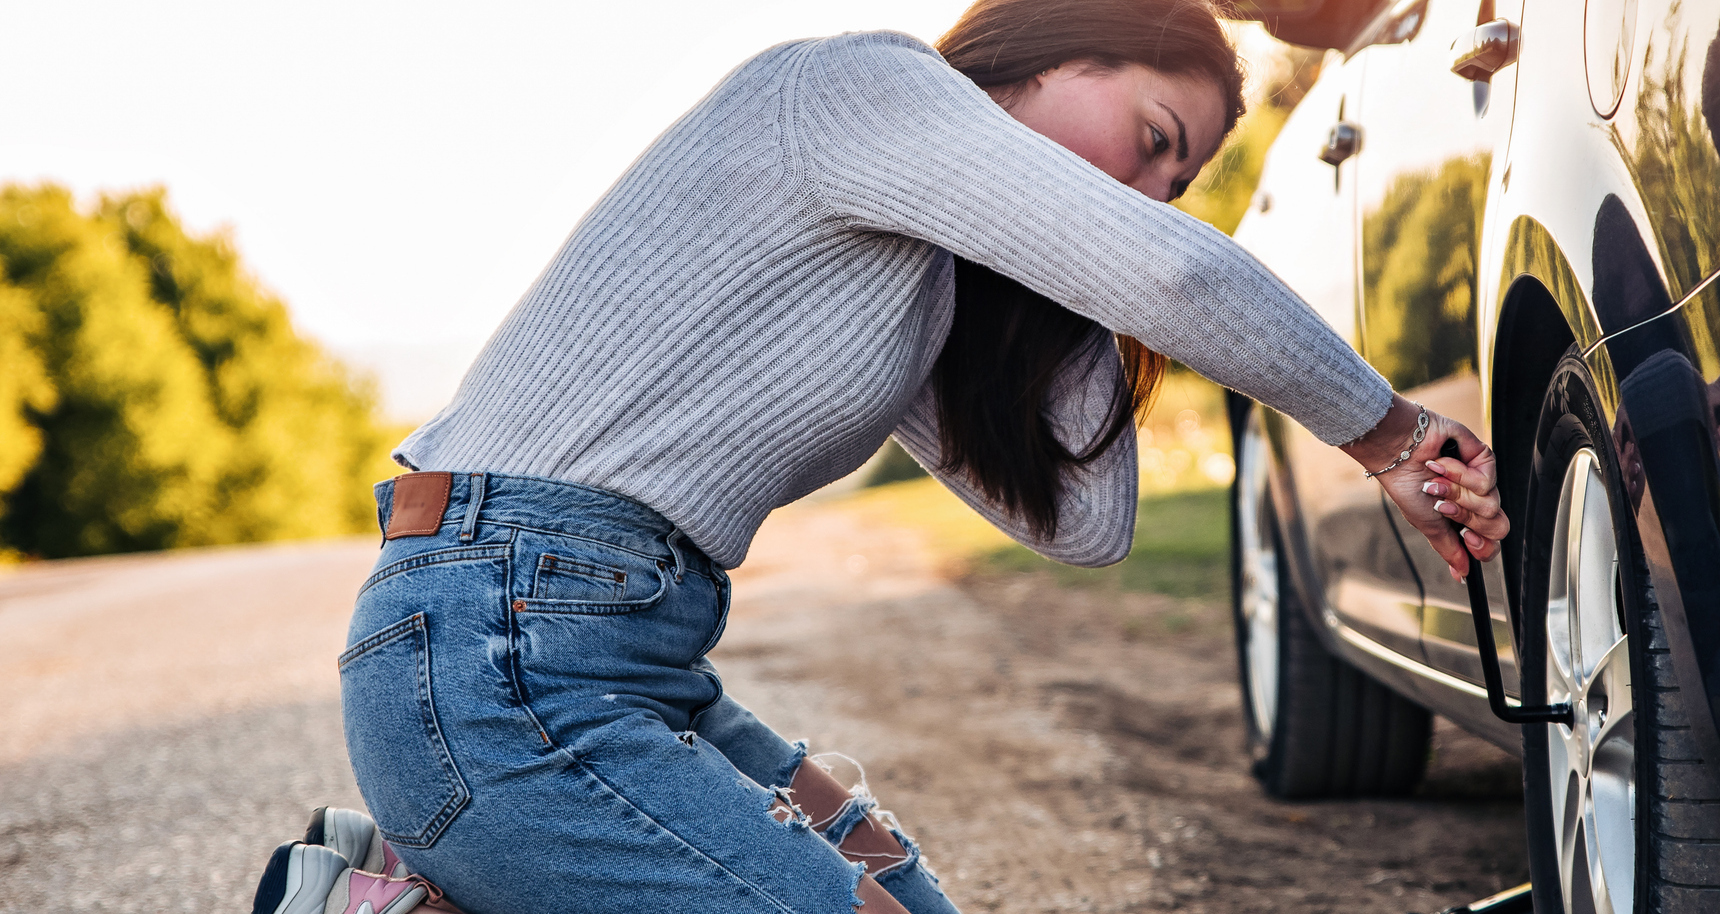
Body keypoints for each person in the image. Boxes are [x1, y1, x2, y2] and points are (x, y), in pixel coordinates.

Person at [253, 0, 1510, 911]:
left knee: (895, 887)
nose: (1149, 191)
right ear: (1053, 41)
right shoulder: (857, 86)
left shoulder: (911, 279)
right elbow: (1176, 268)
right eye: (1150, 136)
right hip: (501, 644)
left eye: (1169, 181)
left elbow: (1084, 520)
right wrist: (1388, 431)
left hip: (616, 652)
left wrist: (1074, 266)